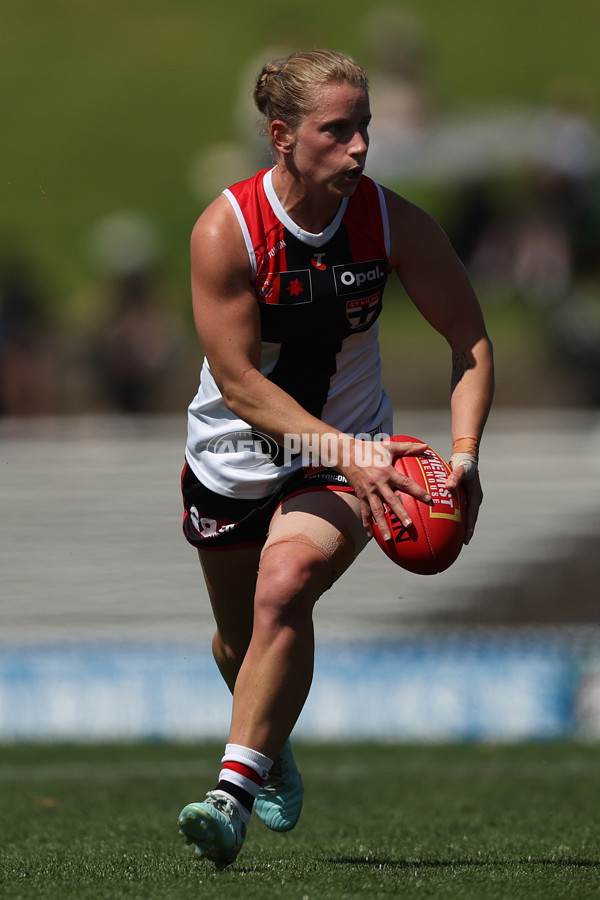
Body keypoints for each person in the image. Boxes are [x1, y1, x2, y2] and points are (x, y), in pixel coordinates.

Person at [178, 49, 494, 869]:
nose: (359, 149)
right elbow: (242, 384)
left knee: (285, 588)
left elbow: (469, 337)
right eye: (337, 130)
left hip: (352, 452)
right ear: (282, 136)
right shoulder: (227, 229)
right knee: (236, 640)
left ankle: (230, 797)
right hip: (233, 454)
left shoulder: (393, 224)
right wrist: (341, 450)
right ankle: (270, 741)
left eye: (365, 129)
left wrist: (462, 454)